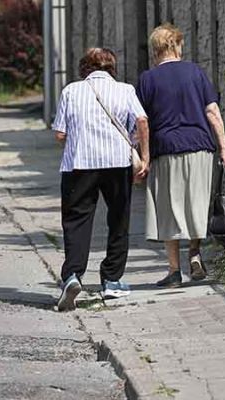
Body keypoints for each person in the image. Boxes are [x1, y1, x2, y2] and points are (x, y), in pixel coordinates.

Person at [52, 48, 150, 311]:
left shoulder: (71, 91)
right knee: (119, 219)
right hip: (117, 163)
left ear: (85, 68)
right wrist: (145, 155)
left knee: (76, 221)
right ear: (112, 68)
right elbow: (142, 120)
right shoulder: (126, 90)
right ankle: (112, 280)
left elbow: (60, 134)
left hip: (79, 164)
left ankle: (72, 276)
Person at [136, 23, 225, 288]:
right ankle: (196, 253)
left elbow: (141, 122)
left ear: (156, 50)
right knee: (196, 203)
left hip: (166, 149)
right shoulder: (195, 72)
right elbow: (212, 112)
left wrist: (142, 157)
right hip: (200, 146)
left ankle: (174, 271)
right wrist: (223, 147)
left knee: (169, 208)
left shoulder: (147, 79)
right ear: (174, 46)